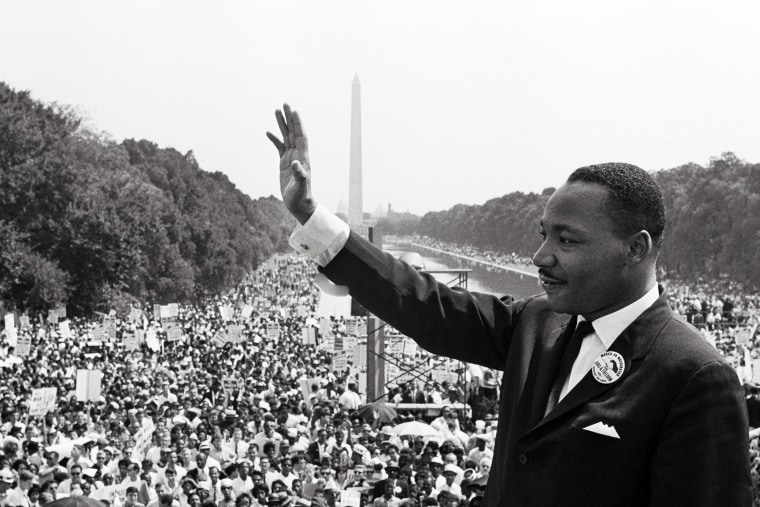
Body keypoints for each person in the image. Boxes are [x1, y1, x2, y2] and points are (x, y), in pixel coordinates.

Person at [268, 104, 752, 506]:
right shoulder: (537, 322)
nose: (540, 257)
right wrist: (312, 218)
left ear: (636, 248)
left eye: (567, 240)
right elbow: (424, 304)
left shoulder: (693, 376)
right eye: (544, 235)